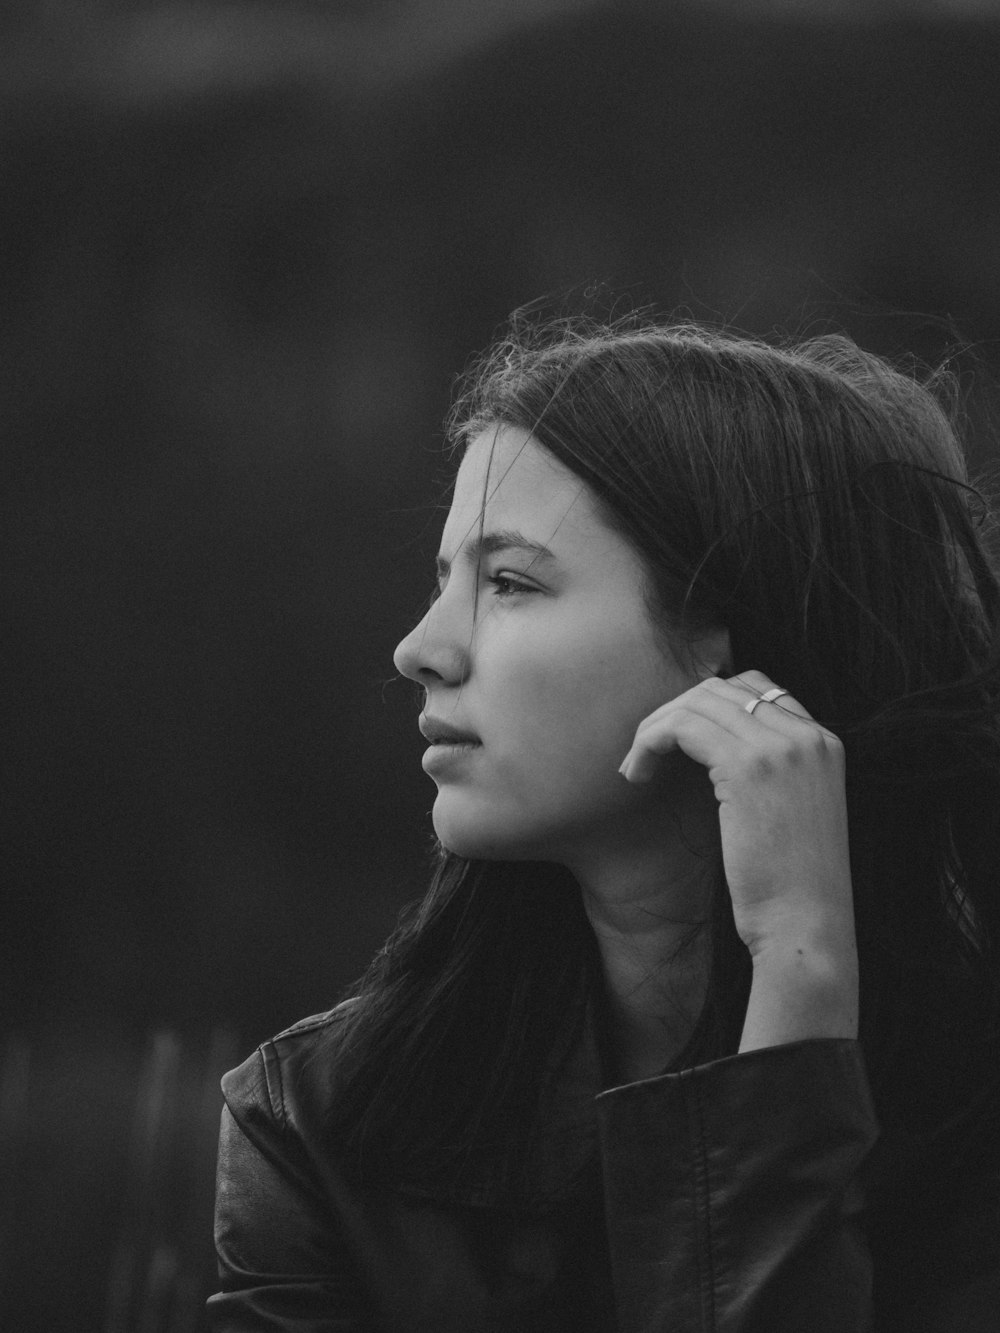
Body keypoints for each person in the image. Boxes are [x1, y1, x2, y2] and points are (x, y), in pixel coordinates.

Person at [208, 316, 1000, 1331]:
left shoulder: (969, 1106)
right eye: (443, 579)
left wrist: (800, 968)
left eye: (510, 582)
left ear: (728, 638)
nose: (419, 648)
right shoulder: (319, 1122)